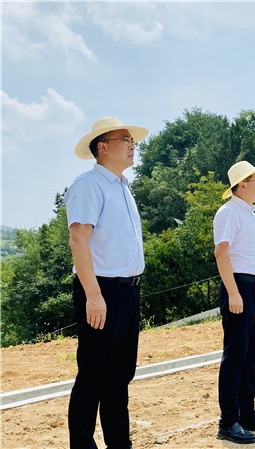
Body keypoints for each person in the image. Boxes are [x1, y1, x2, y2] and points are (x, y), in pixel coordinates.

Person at [65, 116, 148, 449]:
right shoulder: (88, 185)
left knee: (119, 377)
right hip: (102, 290)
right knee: (93, 376)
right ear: (102, 146)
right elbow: (78, 239)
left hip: (128, 291)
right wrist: (94, 295)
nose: (132, 146)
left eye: (132, 140)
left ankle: (119, 444)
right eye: (124, 140)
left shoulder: (123, 188)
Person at [213, 161, 255, 444]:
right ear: (242, 185)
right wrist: (233, 292)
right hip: (239, 286)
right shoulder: (229, 212)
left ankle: (246, 413)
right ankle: (228, 421)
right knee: (236, 356)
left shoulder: (250, 214)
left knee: (251, 355)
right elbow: (221, 251)